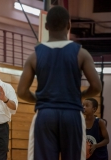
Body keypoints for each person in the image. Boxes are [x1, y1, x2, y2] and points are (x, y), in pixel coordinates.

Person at [17, 6, 102, 160]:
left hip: (45, 115)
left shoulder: (34, 56)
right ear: (68, 25)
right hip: (72, 114)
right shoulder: (81, 53)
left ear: (46, 26)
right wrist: (81, 95)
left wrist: (41, 100)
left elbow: (22, 91)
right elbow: (96, 86)